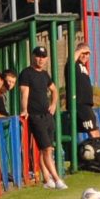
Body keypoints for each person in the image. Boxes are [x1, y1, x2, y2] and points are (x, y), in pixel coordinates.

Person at [18, 41, 65, 189]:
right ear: (33, 56)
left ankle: (47, 180)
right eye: (38, 56)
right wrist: (24, 109)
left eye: (43, 57)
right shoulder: (26, 73)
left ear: (46, 59)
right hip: (35, 116)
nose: (40, 59)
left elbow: (54, 90)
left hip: (47, 116)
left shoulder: (45, 74)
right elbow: (24, 93)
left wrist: (54, 104)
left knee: (46, 149)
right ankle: (57, 179)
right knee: (46, 149)